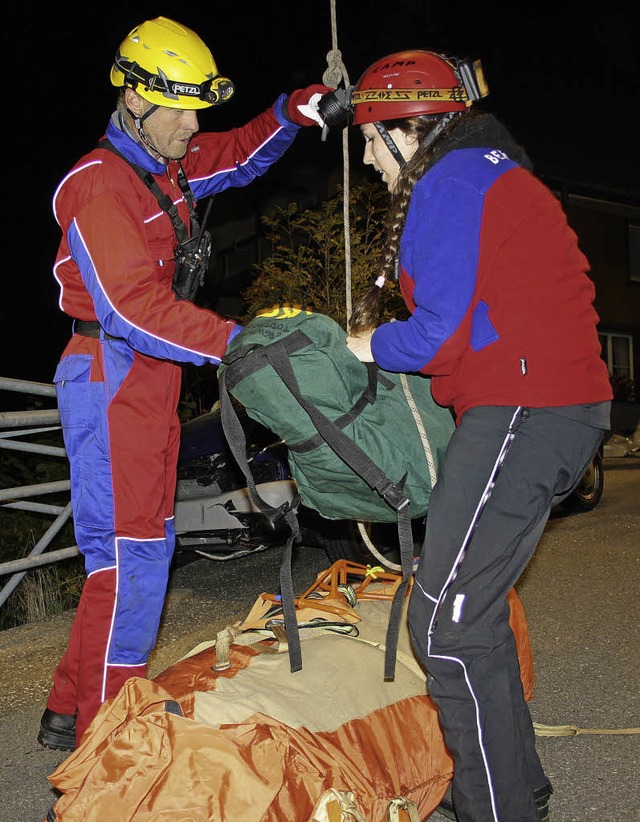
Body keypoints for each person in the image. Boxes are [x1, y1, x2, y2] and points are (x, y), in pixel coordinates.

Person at [38, 15, 330, 752]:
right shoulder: (100, 186)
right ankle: (106, 751)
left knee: (137, 550)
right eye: (178, 107)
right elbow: (133, 309)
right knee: (132, 558)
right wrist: (241, 342)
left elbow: (234, 156)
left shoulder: (164, 165)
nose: (192, 123)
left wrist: (296, 107)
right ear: (133, 100)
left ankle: (68, 706)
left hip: (149, 377)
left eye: (197, 104)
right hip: (113, 374)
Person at [343, 50, 612, 821]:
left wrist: (359, 345)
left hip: (527, 405)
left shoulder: (452, 178)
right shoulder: (488, 170)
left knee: (447, 619)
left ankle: (495, 811)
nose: (365, 155)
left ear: (410, 128)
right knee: (471, 612)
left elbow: (434, 337)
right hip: (545, 403)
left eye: (371, 137)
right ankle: (516, 788)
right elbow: (474, 320)